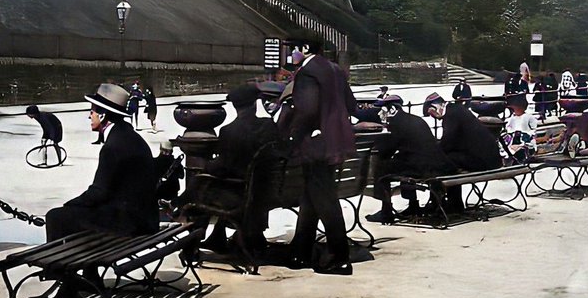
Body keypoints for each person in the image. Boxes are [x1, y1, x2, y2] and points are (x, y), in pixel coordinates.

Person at [282, 36, 357, 276]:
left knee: (324, 199)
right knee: (312, 196)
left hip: (315, 145)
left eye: (292, 49)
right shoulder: (334, 69)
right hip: (335, 141)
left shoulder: (307, 73)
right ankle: (300, 250)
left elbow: (308, 109)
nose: (290, 54)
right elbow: (352, 105)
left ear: (304, 49)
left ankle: (339, 255)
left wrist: (293, 133)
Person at [45, 84, 158, 241]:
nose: (89, 116)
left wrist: (70, 204)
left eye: (92, 111)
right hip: (145, 218)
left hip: (129, 224)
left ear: (103, 115)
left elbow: (98, 192)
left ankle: (57, 264)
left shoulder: (113, 147)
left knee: (56, 217)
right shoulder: (130, 137)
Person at [184, 83, 279, 255]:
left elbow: (223, 167)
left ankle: (190, 245)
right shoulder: (269, 126)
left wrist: (206, 166)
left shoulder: (230, 130)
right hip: (266, 189)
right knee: (214, 186)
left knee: (201, 189)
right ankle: (218, 238)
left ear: (235, 106)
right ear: (254, 103)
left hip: (242, 194)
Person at [366, 95, 457, 224]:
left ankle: (386, 212)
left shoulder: (396, 123)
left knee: (382, 168)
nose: (380, 113)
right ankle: (412, 205)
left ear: (392, 109)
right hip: (434, 164)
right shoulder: (415, 119)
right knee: (400, 164)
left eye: (383, 109)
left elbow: (386, 151)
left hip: (424, 168)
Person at [426, 95, 502, 173]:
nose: (434, 117)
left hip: (482, 162)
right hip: (490, 158)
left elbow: (448, 141)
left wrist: (434, 151)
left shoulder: (451, 116)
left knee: (444, 159)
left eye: (432, 114)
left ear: (435, 107)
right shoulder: (456, 109)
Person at [502, 93, 539, 163]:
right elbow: (508, 129)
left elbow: (533, 131)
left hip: (526, 141)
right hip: (513, 140)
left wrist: (524, 139)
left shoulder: (529, 117)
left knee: (520, 150)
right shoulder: (511, 118)